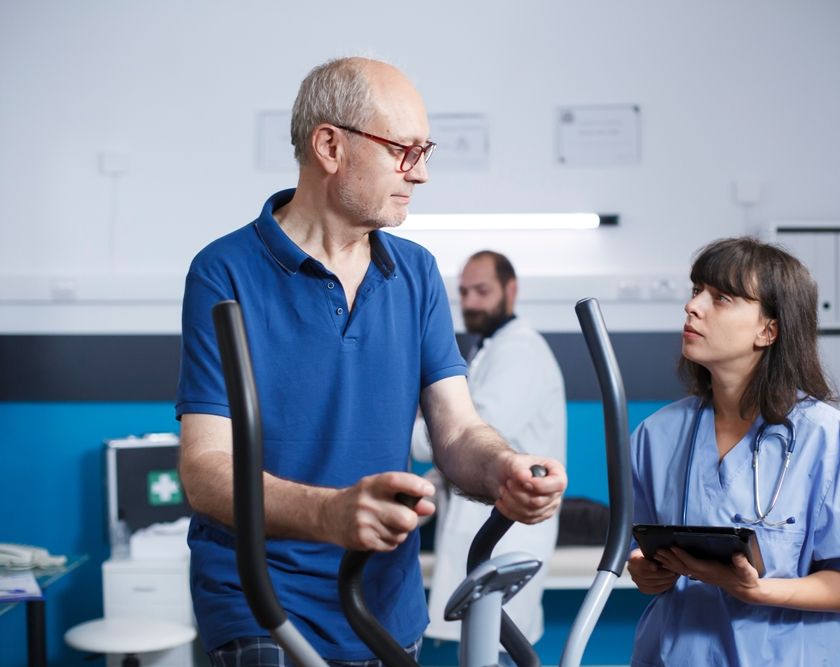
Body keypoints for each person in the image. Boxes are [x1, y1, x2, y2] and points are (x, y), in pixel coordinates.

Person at [175, 57, 567, 667]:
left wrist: (502, 471)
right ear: (330, 145)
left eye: (425, 151)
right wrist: (328, 513)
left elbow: (458, 430)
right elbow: (205, 471)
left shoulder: (416, 274)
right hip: (262, 598)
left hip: (382, 601)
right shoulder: (223, 272)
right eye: (404, 150)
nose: (423, 173)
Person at [627, 237, 840, 666]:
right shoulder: (655, 436)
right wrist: (645, 571)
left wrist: (754, 590)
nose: (693, 307)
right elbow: (642, 554)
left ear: (767, 330)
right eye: (696, 291)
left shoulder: (823, 436)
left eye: (722, 298)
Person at [412, 251, 566, 659]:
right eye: (464, 292)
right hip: (482, 524)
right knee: (482, 648)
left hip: (506, 531)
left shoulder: (521, 352)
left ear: (510, 290)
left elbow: (470, 436)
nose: (471, 302)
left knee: (498, 647)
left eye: (482, 291)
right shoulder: (490, 349)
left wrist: (412, 431)